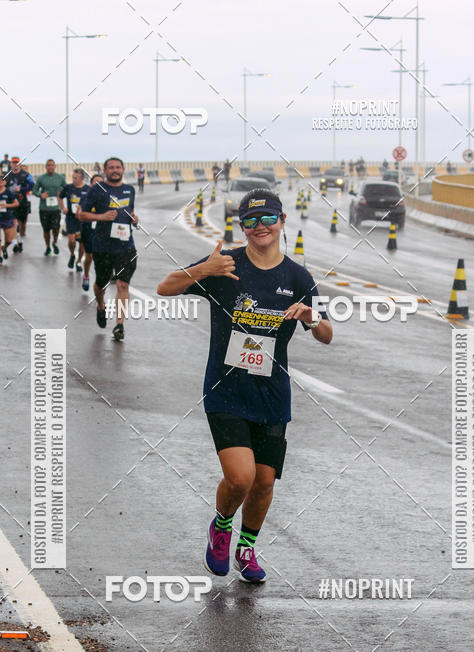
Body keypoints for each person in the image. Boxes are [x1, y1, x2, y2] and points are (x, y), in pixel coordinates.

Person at [156, 187, 332, 583]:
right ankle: (221, 527)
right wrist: (204, 270)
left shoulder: (297, 277)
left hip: (271, 394)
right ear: (241, 227)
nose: (260, 227)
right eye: (250, 221)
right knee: (241, 478)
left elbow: (326, 334)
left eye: (268, 218)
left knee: (265, 482)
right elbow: (164, 287)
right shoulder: (225, 264)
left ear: (282, 221)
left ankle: (247, 547)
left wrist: (309, 316)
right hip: (226, 390)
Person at [79, 157, 138, 341]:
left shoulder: (130, 190)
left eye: (118, 167)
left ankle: (119, 325)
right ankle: (101, 306)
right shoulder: (96, 190)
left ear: (123, 169)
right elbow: (81, 214)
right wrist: (102, 216)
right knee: (101, 283)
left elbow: (130, 213)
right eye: (111, 168)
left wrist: (135, 220)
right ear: (104, 170)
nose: (115, 170)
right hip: (103, 246)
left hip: (125, 245)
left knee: (123, 284)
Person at [32, 159, 66, 255]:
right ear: (46, 167)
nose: (50, 167)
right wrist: (40, 195)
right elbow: (34, 190)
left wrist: (61, 194)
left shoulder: (60, 178)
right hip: (44, 208)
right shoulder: (41, 178)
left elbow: (67, 189)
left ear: (55, 166)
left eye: (52, 165)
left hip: (56, 208)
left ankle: (54, 242)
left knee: (56, 228)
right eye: (48, 165)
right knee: (46, 230)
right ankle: (47, 247)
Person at [59, 167, 89, 271]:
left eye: (76, 178)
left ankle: (79, 261)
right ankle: (72, 254)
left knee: (81, 243)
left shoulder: (87, 189)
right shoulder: (68, 187)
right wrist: (63, 207)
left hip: (83, 220)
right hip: (71, 218)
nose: (73, 179)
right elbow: (60, 196)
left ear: (82, 178)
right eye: (73, 177)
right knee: (71, 240)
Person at [77, 172, 102, 291]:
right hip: (88, 229)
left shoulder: (108, 198)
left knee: (104, 255)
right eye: (95, 182)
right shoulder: (85, 197)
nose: (98, 184)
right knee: (90, 256)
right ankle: (86, 274)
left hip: (102, 230)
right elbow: (80, 212)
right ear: (91, 184)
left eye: (101, 182)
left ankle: (102, 278)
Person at [5, 156, 33, 253]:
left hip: (22, 202)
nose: (15, 165)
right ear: (11, 164)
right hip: (11, 203)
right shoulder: (7, 176)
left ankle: (20, 240)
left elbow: (32, 186)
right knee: (13, 224)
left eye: (17, 163)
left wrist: (21, 189)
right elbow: (2, 187)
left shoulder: (26, 175)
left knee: (22, 225)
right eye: (13, 163)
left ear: (19, 164)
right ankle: (15, 244)